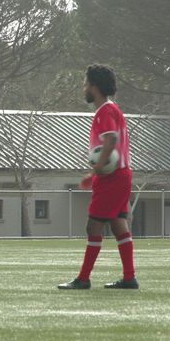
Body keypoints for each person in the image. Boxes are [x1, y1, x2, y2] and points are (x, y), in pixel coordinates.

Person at [58, 64, 138, 290]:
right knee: (118, 224)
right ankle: (129, 277)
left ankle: (83, 279)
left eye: (85, 84)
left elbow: (110, 140)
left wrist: (95, 170)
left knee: (93, 226)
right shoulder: (112, 109)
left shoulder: (105, 111)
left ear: (94, 86)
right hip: (122, 174)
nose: (84, 88)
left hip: (111, 177)